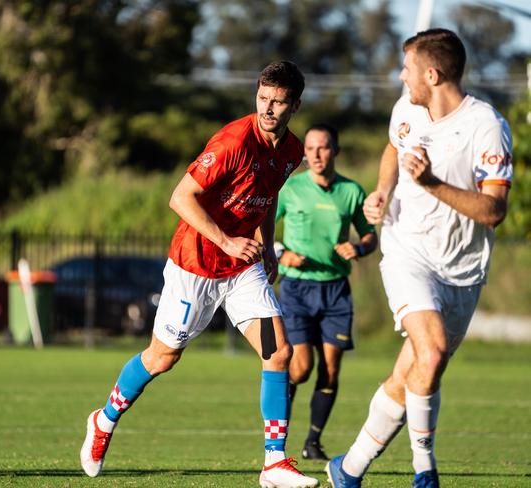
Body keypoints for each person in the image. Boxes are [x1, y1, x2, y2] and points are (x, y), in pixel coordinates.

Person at [80, 60, 320, 488]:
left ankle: (274, 462)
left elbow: (268, 197)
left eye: (278, 102)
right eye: (263, 98)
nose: (268, 109)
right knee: (163, 357)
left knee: (278, 352)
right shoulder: (232, 142)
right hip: (197, 265)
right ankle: (104, 418)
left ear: (295, 105)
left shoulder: (292, 151)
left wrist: (264, 246)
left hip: (243, 270)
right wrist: (227, 241)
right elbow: (181, 197)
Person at [325, 29, 513, 488]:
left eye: (406, 67)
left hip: (463, 270)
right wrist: (383, 191)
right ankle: (424, 471)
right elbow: (394, 146)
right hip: (407, 249)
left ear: (432, 74)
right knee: (430, 353)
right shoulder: (405, 107)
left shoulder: (486, 126)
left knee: (412, 372)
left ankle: (348, 469)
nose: (400, 75)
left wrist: (431, 185)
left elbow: (493, 211)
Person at [274, 124, 377, 462]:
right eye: (311, 148)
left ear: (336, 151)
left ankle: (313, 441)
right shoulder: (290, 188)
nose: (316, 155)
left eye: (324, 148)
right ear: (304, 153)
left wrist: (359, 249)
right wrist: (280, 252)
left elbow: (369, 236)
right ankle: (277, 440)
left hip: (335, 291)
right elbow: (259, 226)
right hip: (296, 288)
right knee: (300, 367)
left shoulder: (352, 191)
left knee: (330, 370)